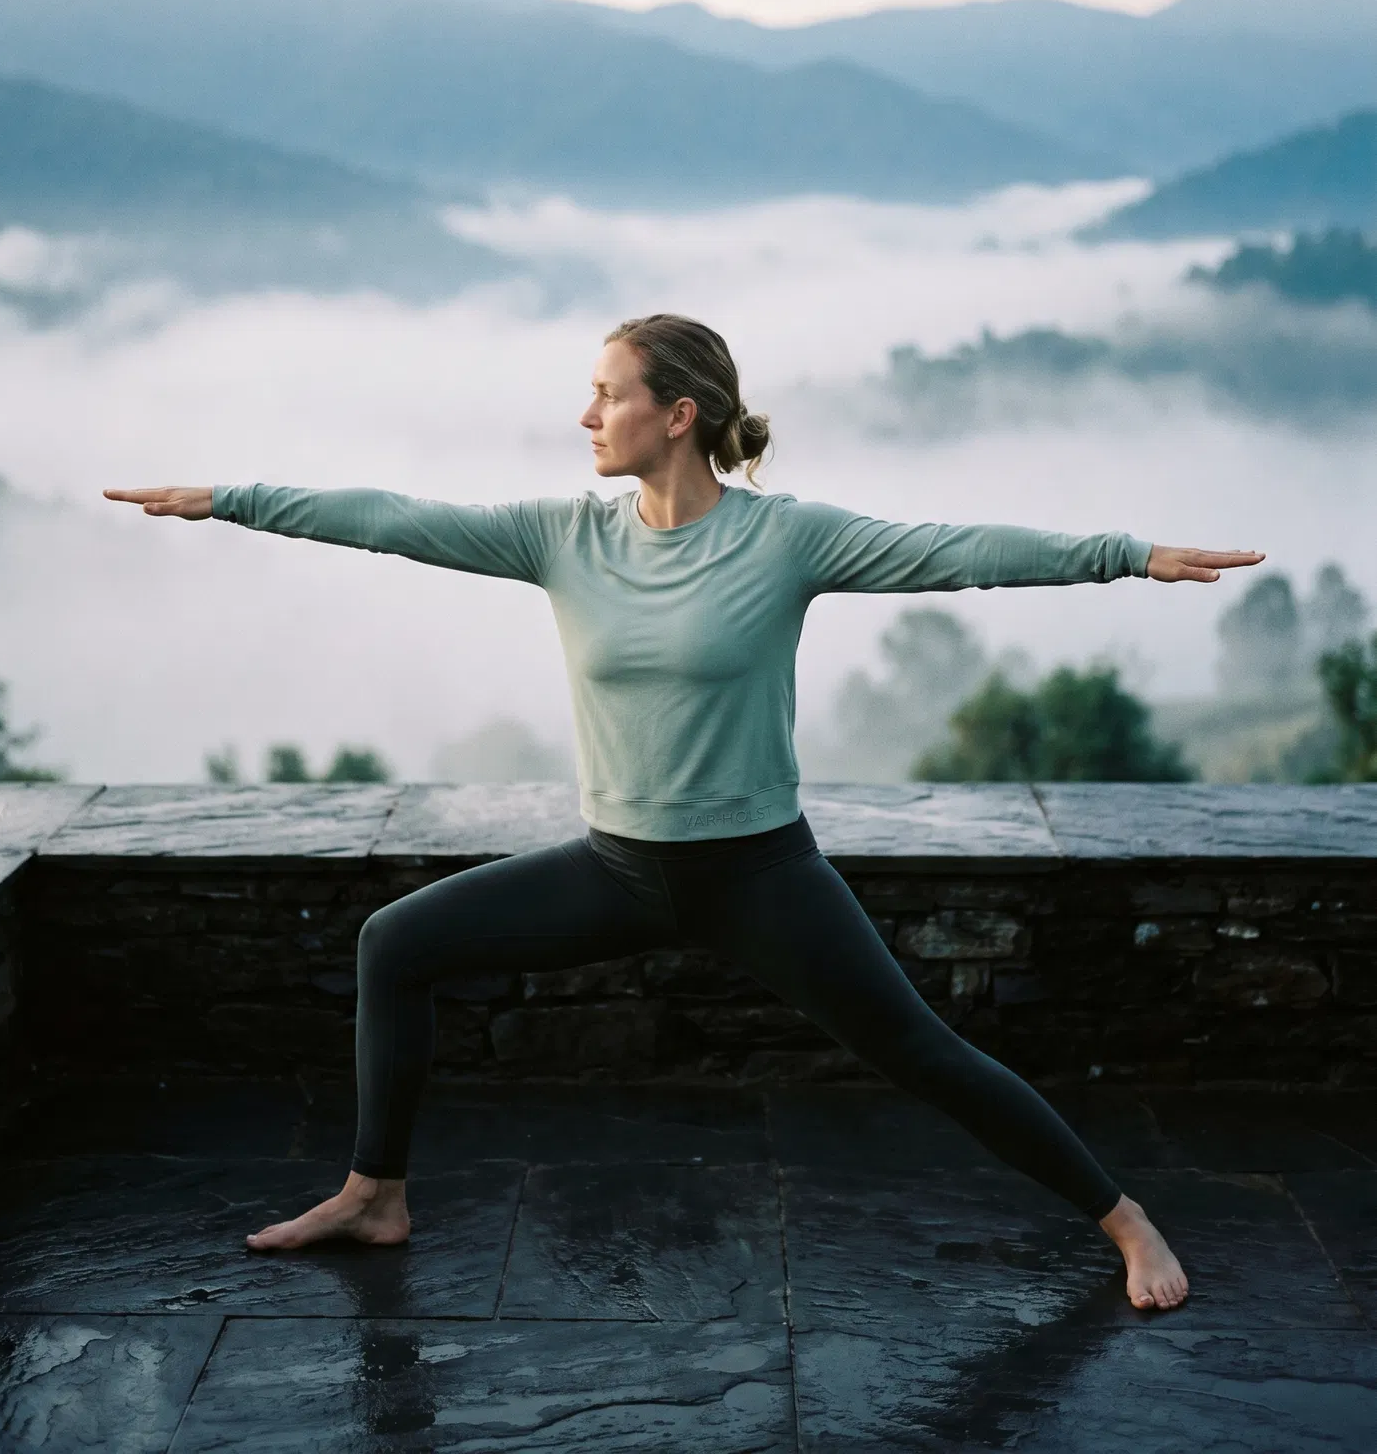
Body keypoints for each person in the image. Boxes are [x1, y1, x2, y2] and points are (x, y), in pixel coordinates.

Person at [106, 312, 1264, 1310]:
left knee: (923, 1052)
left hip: (759, 875)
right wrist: (236, 500)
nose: (586, 415)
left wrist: (1130, 555)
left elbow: (952, 551)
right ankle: (375, 1194)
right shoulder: (562, 537)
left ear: (680, 413)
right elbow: (395, 518)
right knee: (394, 943)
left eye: (607, 394)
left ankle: (1123, 1220)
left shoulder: (783, 538)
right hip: (615, 867)